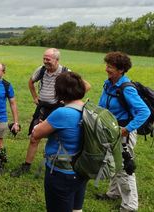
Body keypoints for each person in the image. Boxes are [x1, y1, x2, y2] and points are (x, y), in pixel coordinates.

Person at [96, 51, 150, 212]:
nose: (106, 69)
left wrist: (127, 129)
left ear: (121, 70)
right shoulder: (109, 84)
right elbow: (102, 106)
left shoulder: (126, 88)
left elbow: (144, 112)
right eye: (107, 65)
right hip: (112, 130)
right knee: (113, 163)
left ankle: (130, 206)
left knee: (125, 168)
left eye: (110, 67)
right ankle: (113, 193)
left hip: (123, 133)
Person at [32, 71, 88, 212]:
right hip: (82, 170)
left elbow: (36, 134)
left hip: (61, 173)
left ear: (60, 91)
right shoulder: (88, 108)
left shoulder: (62, 113)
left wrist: (41, 125)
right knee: (76, 209)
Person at [11, 48, 69, 176]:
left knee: (57, 138)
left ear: (57, 60)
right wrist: (35, 97)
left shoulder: (65, 72)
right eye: (44, 58)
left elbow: (83, 86)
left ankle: (57, 166)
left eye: (48, 59)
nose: (45, 61)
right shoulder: (41, 70)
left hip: (58, 109)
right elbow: (31, 82)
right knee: (34, 136)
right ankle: (26, 166)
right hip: (42, 108)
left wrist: (67, 100)